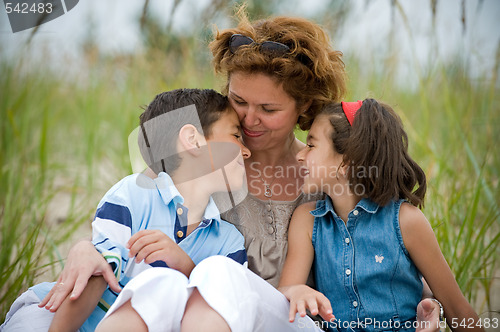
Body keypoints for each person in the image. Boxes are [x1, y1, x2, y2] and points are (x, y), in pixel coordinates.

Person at [10, 9, 441, 331]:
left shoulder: (323, 171)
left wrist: (424, 305)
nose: (250, 119)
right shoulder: (210, 161)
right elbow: (136, 214)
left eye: (268, 108)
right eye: (238, 101)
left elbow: (374, 249)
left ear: (304, 108)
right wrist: (85, 248)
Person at [1, 88, 251, 332]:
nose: (247, 151)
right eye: (236, 136)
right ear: (193, 141)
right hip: (55, 315)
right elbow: (97, 270)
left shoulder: (229, 242)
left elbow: (225, 307)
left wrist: (185, 265)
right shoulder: (134, 195)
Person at [278, 99, 483, 332]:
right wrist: (296, 290)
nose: (300, 155)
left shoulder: (406, 221)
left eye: (311, 145)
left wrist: (436, 307)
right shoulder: (307, 219)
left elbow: (458, 310)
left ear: (346, 161)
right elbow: (284, 293)